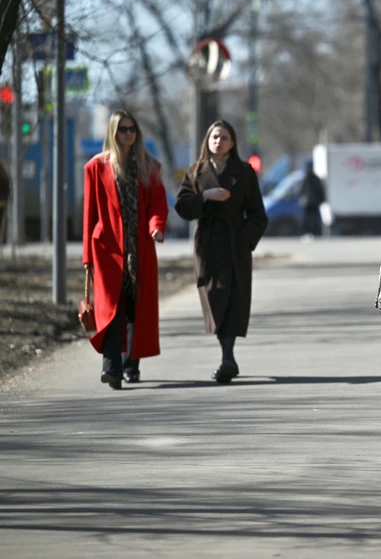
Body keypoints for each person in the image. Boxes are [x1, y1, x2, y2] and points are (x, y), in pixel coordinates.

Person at [175, 120, 268, 383]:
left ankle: (228, 357)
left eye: (224, 137)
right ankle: (228, 356)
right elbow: (182, 207)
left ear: (232, 142)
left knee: (234, 298)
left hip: (235, 244)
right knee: (213, 296)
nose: (219, 141)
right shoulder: (195, 171)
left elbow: (258, 215)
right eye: (215, 137)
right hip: (207, 245)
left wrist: (244, 240)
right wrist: (204, 196)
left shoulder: (244, 172)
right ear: (207, 140)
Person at [82, 110, 168, 390]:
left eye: (132, 129)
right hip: (106, 249)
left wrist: (157, 226)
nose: (129, 134)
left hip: (139, 248)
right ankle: (111, 368)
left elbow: (157, 203)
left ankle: (131, 365)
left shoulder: (150, 166)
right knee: (111, 309)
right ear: (113, 132)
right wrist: (87, 256)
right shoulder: (96, 167)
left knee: (134, 307)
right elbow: (89, 214)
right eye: (123, 129)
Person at [298, 159, 325, 237]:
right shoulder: (313, 178)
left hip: (309, 203)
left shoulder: (306, 178)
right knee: (311, 218)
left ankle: (309, 232)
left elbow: (301, 191)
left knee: (309, 219)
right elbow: (320, 190)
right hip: (312, 202)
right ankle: (311, 232)